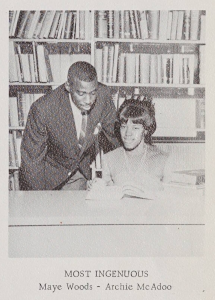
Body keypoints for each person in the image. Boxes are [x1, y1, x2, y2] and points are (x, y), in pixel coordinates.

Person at [19, 61, 119, 190]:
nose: (88, 101)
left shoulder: (103, 95)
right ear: (68, 86)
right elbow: (31, 162)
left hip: (80, 173)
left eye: (93, 93)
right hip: (49, 178)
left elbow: (115, 138)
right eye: (81, 94)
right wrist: (40, 198)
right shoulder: (43, 109)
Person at [89, 98, 170, 194]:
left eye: (135, 128)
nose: (128, 133)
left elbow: (170, 200)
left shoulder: (163, 160)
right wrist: (94, 187)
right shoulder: (109, 159)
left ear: (146, 130)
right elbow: (105, 196)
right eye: (123, 127)